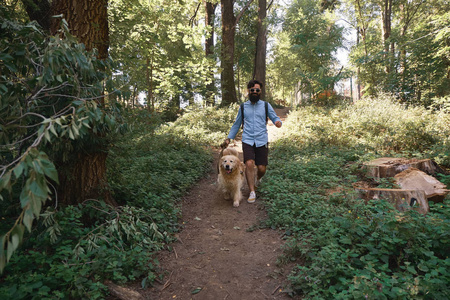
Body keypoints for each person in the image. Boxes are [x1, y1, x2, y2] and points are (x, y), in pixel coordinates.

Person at [222, 79, 282, 203]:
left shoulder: (266, 105)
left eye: (257, 90)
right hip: (248, 139)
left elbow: (274, 117)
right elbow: (237, 123)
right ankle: (252, 191)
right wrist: (229, 138)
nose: (254, 92)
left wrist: (277, 122)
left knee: (261, 168)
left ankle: (257, 179)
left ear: (260, 91)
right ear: (249, 91)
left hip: (262, 139)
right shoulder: (243, 107)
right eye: (252, 90)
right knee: (249, 163)